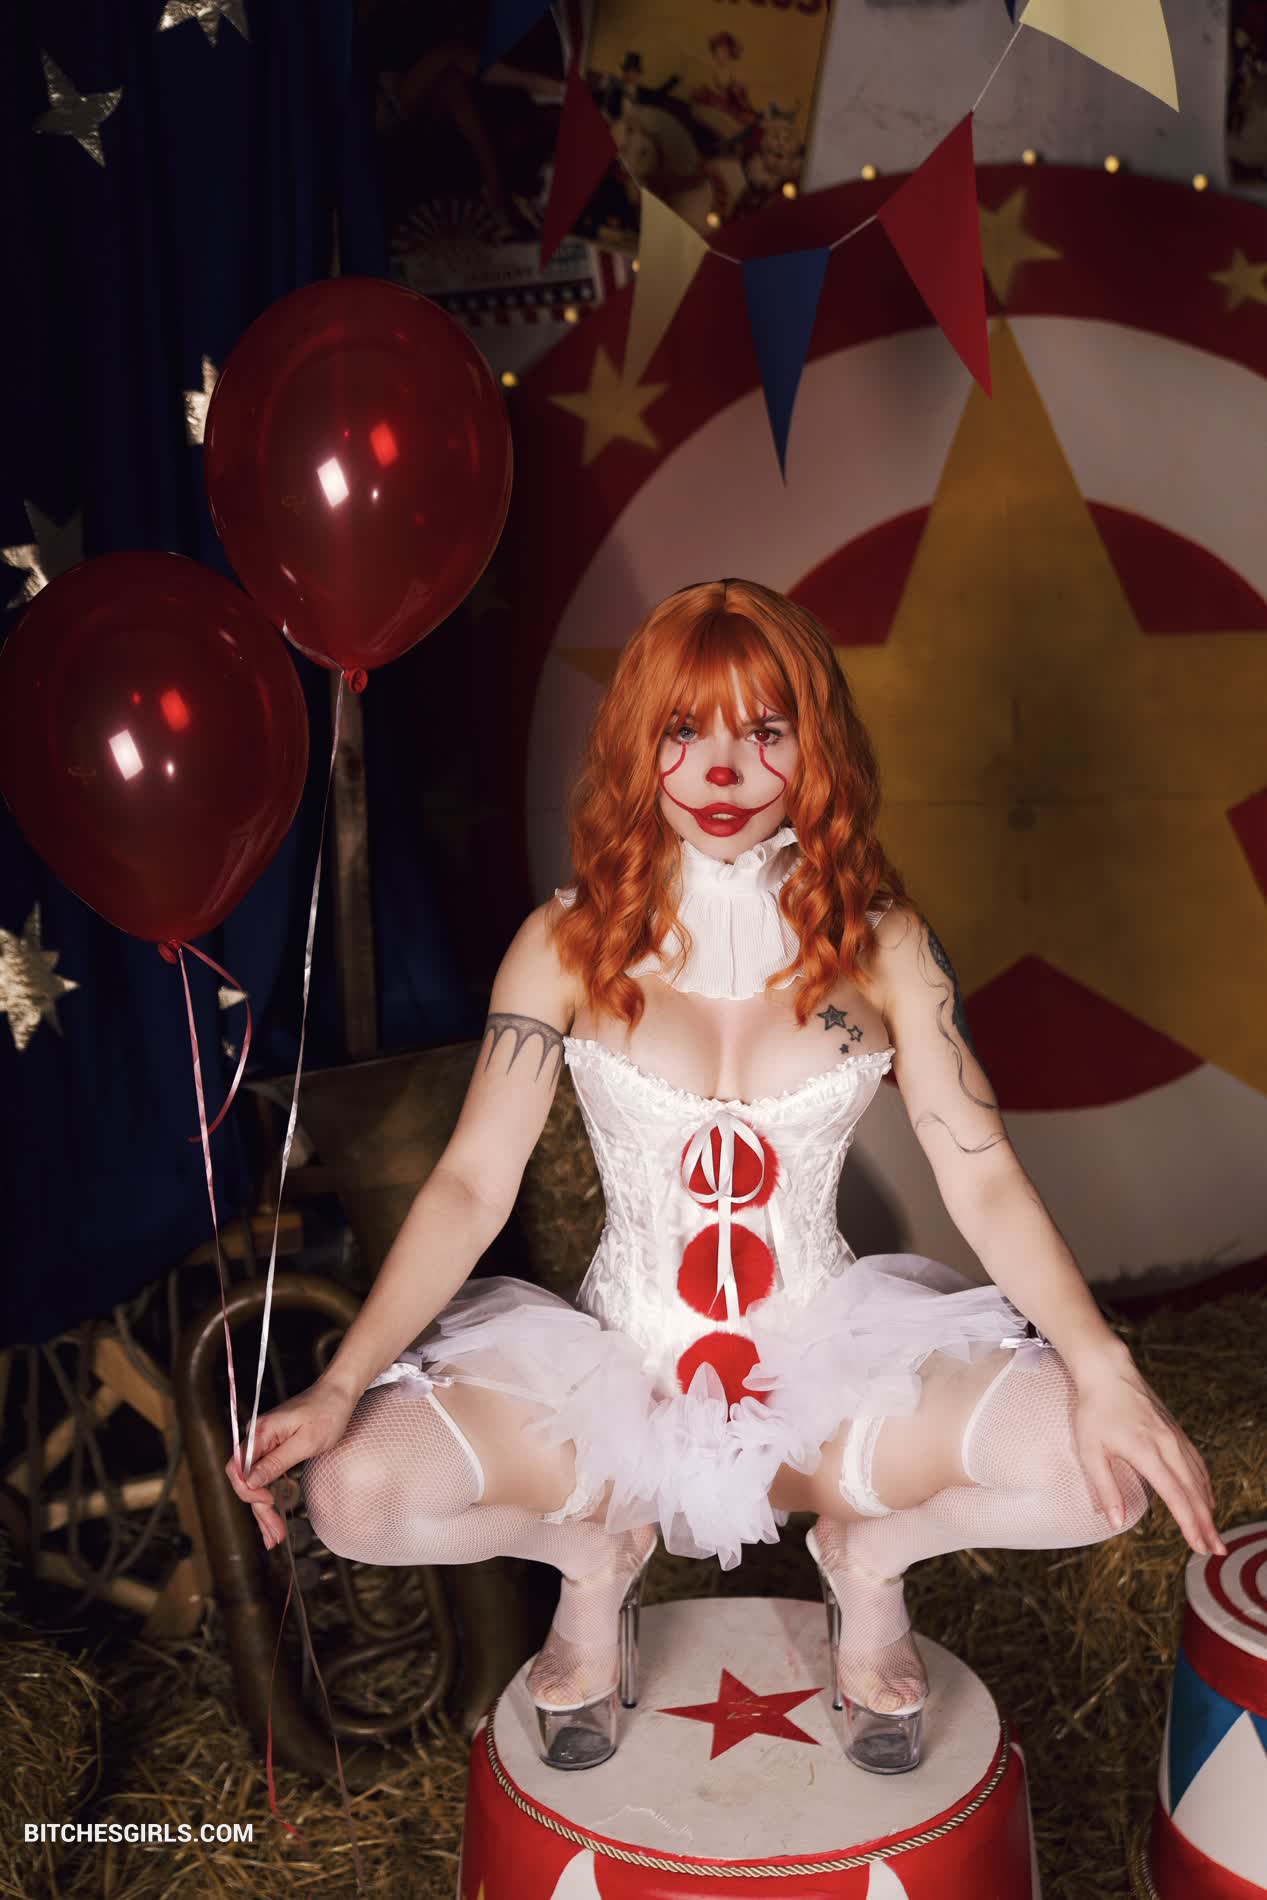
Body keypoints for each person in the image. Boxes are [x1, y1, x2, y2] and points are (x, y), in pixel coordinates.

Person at [227, 580, 1226, 1775]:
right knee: (355, 1493)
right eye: (682, 729)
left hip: (833, 1390)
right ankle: (593, 1558)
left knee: (1100, 1474)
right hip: (613, 1394)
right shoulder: (561, 944)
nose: (721, 767)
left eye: (763, 730)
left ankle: (870, 1558)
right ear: (636, 744)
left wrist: (1104, 1367)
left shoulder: (886, 943)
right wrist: (341, 1381)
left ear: (816, 746)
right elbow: (469, 1188)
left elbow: (982, 1176)